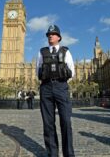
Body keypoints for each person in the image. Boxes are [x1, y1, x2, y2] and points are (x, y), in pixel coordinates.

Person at [36, 24, 75, 157]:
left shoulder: (65, 51)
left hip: (61, 87)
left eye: (52, 34)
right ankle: (52, 153)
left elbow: (72, 71)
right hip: (46, 88)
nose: (50, 36)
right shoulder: (42, 52)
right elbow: (38, 70)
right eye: (48, 34)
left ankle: (69, 154)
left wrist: (61, 83)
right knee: (48, 124)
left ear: (58, 37)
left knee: (65, 121)